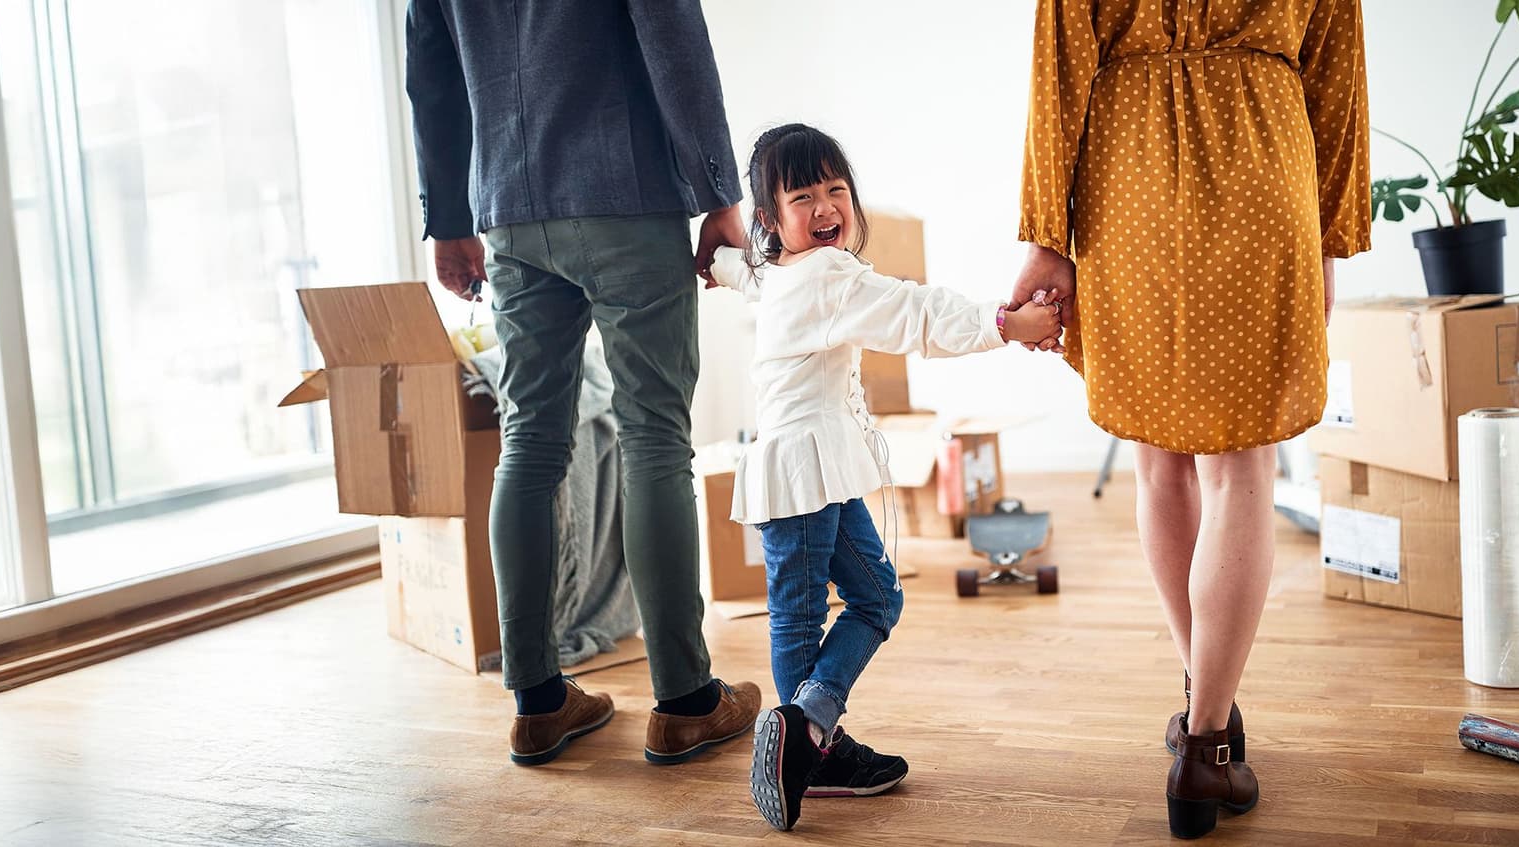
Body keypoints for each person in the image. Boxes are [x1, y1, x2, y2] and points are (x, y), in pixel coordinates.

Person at [1011, 0, 1370, 838]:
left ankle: (1205, 710)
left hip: (1128, 175)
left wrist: (1044, 236)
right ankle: (1210, 737)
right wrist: (1327, 237)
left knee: (1157, 460)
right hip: (1263, 162)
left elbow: (1059, 58)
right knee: (1242, 468)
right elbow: (1334, 64)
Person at [403, 0, 762, 767]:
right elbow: (672, 32)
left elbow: (431, 71)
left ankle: (537, 703)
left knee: (529, 442)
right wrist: (718, 193)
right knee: (654, 435)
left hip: (507, 204)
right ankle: (687, 703)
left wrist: (450, 218)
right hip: (626, 190)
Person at [709, 124, 1062, 832]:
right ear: (771, 219)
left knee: (875, 597)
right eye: (802, 197)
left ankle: (808, 728)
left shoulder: (778, 271)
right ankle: (808, 743)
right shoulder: (826, 275)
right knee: (804, 616)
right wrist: (1009, 324)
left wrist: (713, 256)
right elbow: (917, 314)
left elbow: (738, 269)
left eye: (835, 189)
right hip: (803, 473)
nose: (825, 206)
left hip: (821, 472)